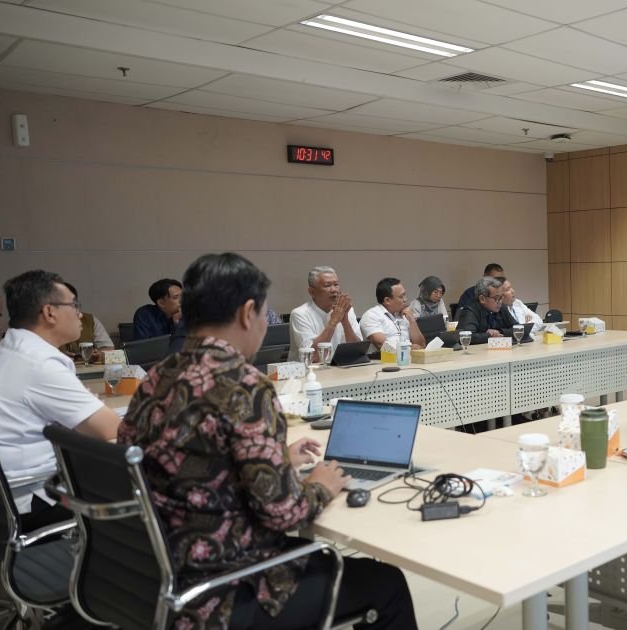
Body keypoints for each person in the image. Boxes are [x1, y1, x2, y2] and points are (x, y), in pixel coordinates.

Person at [119, 253, 417, 629]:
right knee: (386, 583)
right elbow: (284, 513)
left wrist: (273, 459)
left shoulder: (156, 377)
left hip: (156, 570)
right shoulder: (243, 385)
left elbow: (180, 458)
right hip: (227, 583)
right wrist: (320, 486)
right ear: (247, 313)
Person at [0, 270, 121, 530]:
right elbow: (112, 430)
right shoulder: (38, 362)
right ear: (49, 312)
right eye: (74, 305)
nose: (80, 314)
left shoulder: (12, 351)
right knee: (136, 465)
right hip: (29, 502)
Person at [288, 266, 362, 361]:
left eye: (336, 284)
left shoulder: (347, 310)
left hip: (339, 369)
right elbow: (313, 357)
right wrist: (333, 321)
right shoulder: (299, 314)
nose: (334, 290)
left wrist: (345, 321)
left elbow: (357, 352)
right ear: (312, 292)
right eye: (327, 286)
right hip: (309, 372)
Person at [360, 278, 426, 350]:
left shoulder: (404, 314)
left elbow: (421, 345)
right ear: (387, 300)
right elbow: (381, 345)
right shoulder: (372, 315)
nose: (405, 299)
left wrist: (412, 320)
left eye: (405, 295)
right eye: (401, 296)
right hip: (384, 360)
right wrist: (408, 349)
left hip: (409, 358)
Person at [58, 282, 114, 360]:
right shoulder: (42, 327)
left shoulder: (89, 320)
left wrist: (99, 355)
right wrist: (57, 357)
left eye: (75, 304)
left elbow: (109, 348)